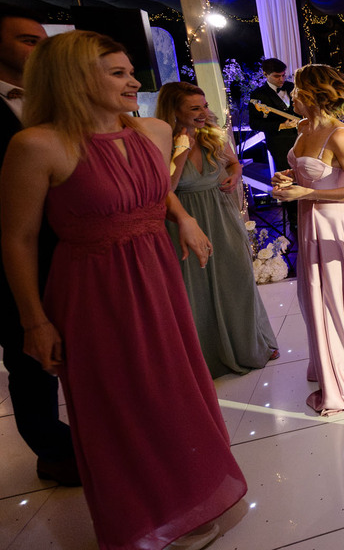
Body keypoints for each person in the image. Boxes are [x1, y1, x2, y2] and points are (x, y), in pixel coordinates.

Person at [1, 30, 245, 549]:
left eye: (131, 70)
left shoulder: (154, 132)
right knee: (118, 403)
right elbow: (18, 238)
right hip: (92, 288)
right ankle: (141, 516)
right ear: (74, 79)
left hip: (156, 274)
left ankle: (189, 494)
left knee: (174, 389)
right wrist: (34, 320)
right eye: (117, 73)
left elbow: (157, 194)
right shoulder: (37, 144)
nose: (135, 80)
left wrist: (181, 217)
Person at [270, 64, 344, 415]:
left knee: (339, 296)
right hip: (310, 221)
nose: (291, 94)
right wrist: (289, 176)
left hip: (336, 225)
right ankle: (333, 361)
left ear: (310, 93)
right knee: (315, 296)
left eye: (295, 90)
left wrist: (305, 193)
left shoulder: (339, 134)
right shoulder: (303, 127)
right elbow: (309, 172)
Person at [0, 6, 79, 487]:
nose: (39, 49)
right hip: (13, 256)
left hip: (77, 255)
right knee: (31, 359)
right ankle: (52, 452)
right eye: (27, 40)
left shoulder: (60, 108)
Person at [155, 82, 279, 378]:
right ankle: (207, 355)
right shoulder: (161, 141)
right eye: (194, 108)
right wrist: (182, 146)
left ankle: (249, 344)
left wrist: (235, 176)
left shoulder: (213, 135)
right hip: (185, 219)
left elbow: (235, 164)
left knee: (237, 277)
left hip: (221, 215)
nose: (204, 112)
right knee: (195, 289)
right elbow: (165, 189)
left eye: (205, 106)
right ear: (174, 111)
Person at [250, 58, 300, 233]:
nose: (281, 79)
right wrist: (280, 125)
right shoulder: (258, 95)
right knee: (287, 180)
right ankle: (294, 220)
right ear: (265, 74)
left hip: (302, 138)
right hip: (279, 143)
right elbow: (254, 124)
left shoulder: (292, 88)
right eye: (277, 76)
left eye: (283, 75)